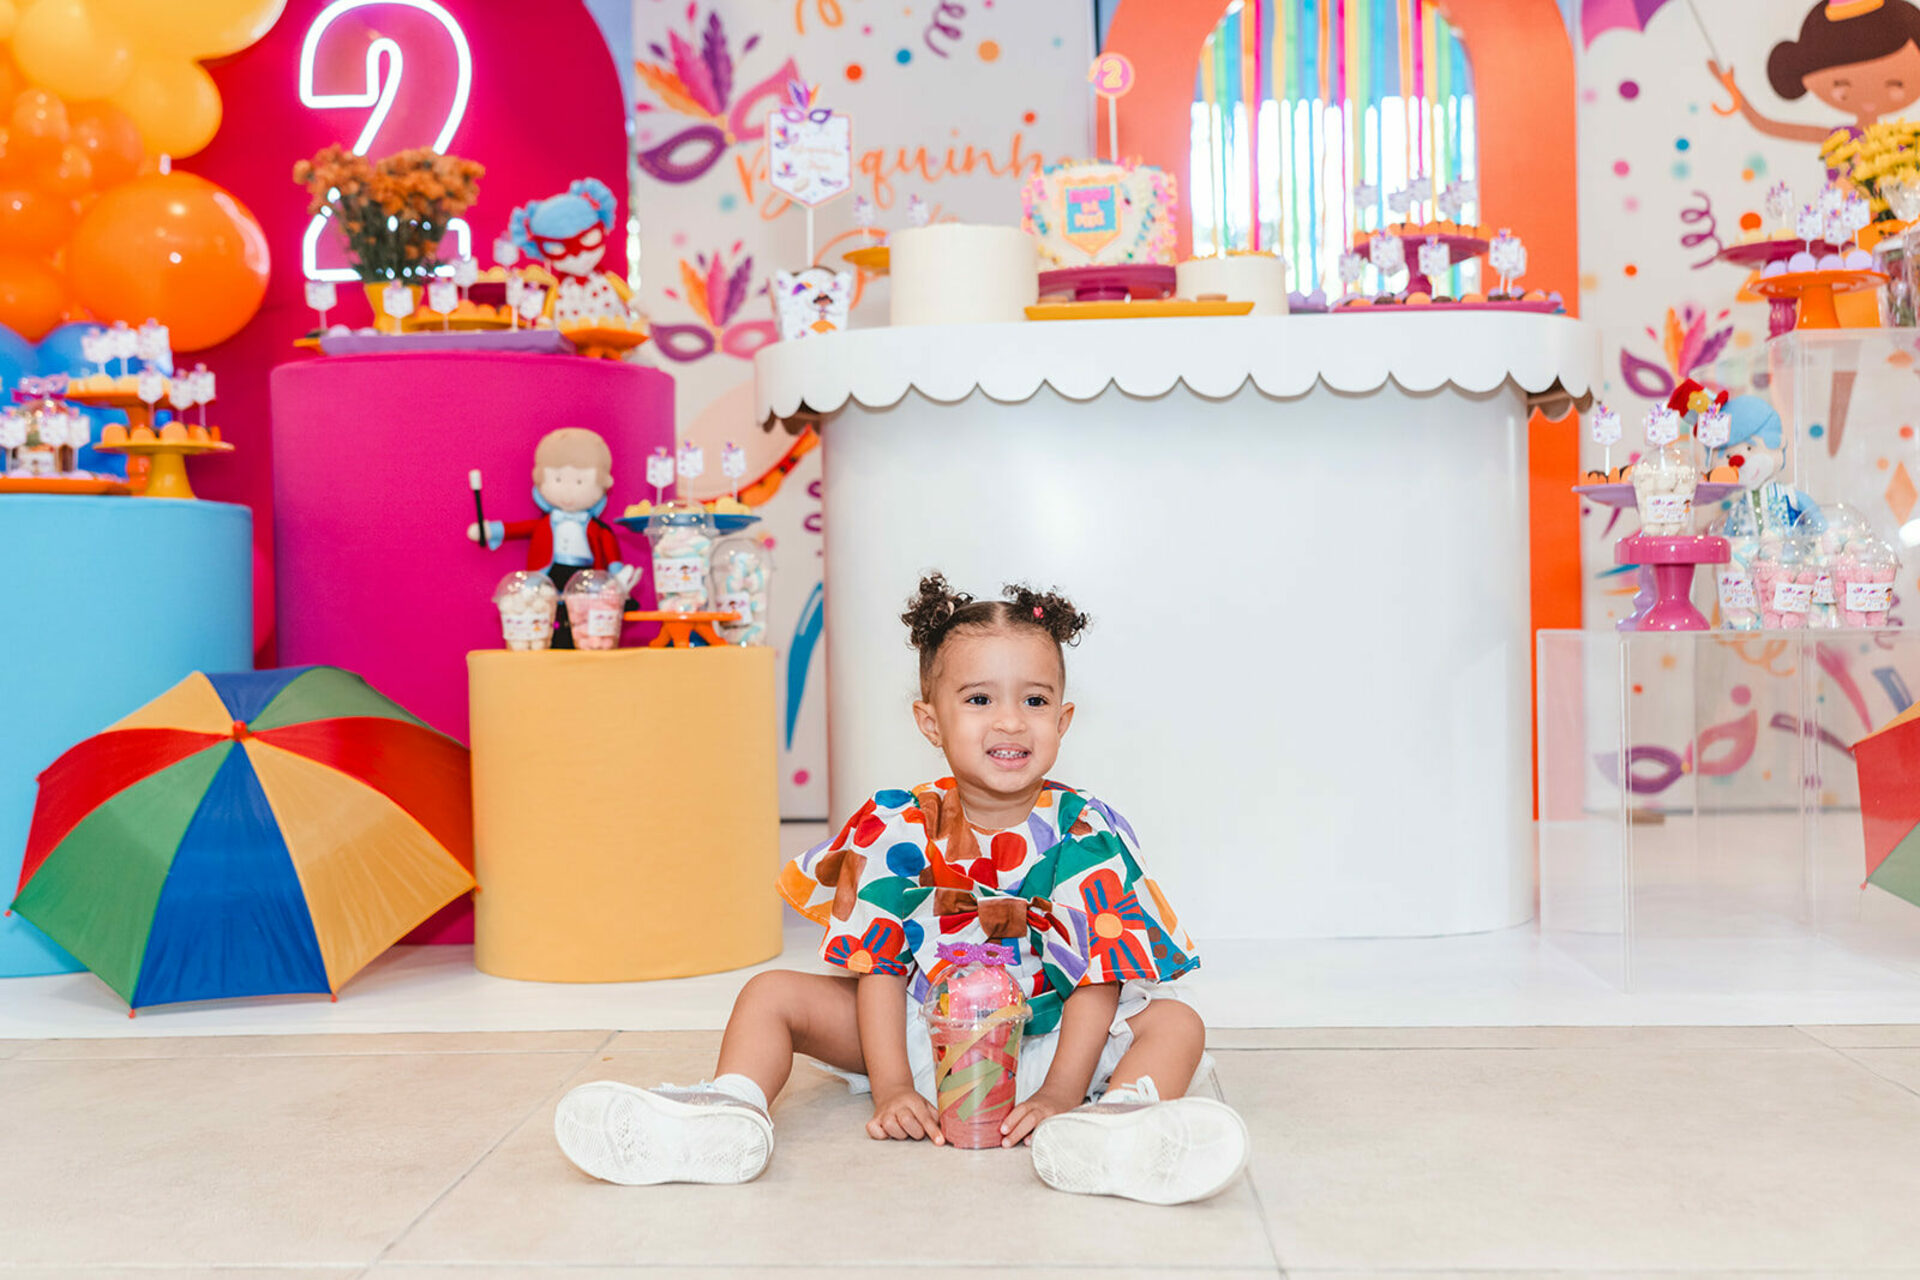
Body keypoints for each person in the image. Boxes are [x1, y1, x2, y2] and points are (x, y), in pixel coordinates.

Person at [552, 574, 1250, 1205]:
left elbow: (1101, 974)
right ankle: (728, 1111)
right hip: (920, 1031)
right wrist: (892, 1086)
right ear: (930, 721)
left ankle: (1116, 1126)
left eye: (1035, 700)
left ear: (1062, 721)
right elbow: (877, 964)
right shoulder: (897, 823)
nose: (1011, 720)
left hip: (1054, 1037)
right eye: (979, 699)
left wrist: (1064, 1091)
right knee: (769, 994)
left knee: (1176, 1023)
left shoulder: (1087, 831)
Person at [467, 427, 639, 649]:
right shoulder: (546, 524)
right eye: (558, 479)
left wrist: (616, 578)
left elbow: (610, 551)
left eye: (579, 482)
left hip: (584, 580)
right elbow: (519, 528)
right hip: (548, 576)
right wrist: (491, 530)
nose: (568, 491)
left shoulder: (597, 529)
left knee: (581, 614)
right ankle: (553, 640)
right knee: (546, 610)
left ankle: (578, 641)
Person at [1712, 0, 1920, 144]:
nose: (1868, 99)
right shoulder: (1840, 140)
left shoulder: (1905, 139)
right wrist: (1736, 95)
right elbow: (1766, 125)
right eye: (1842, 91)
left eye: (1896, 86)